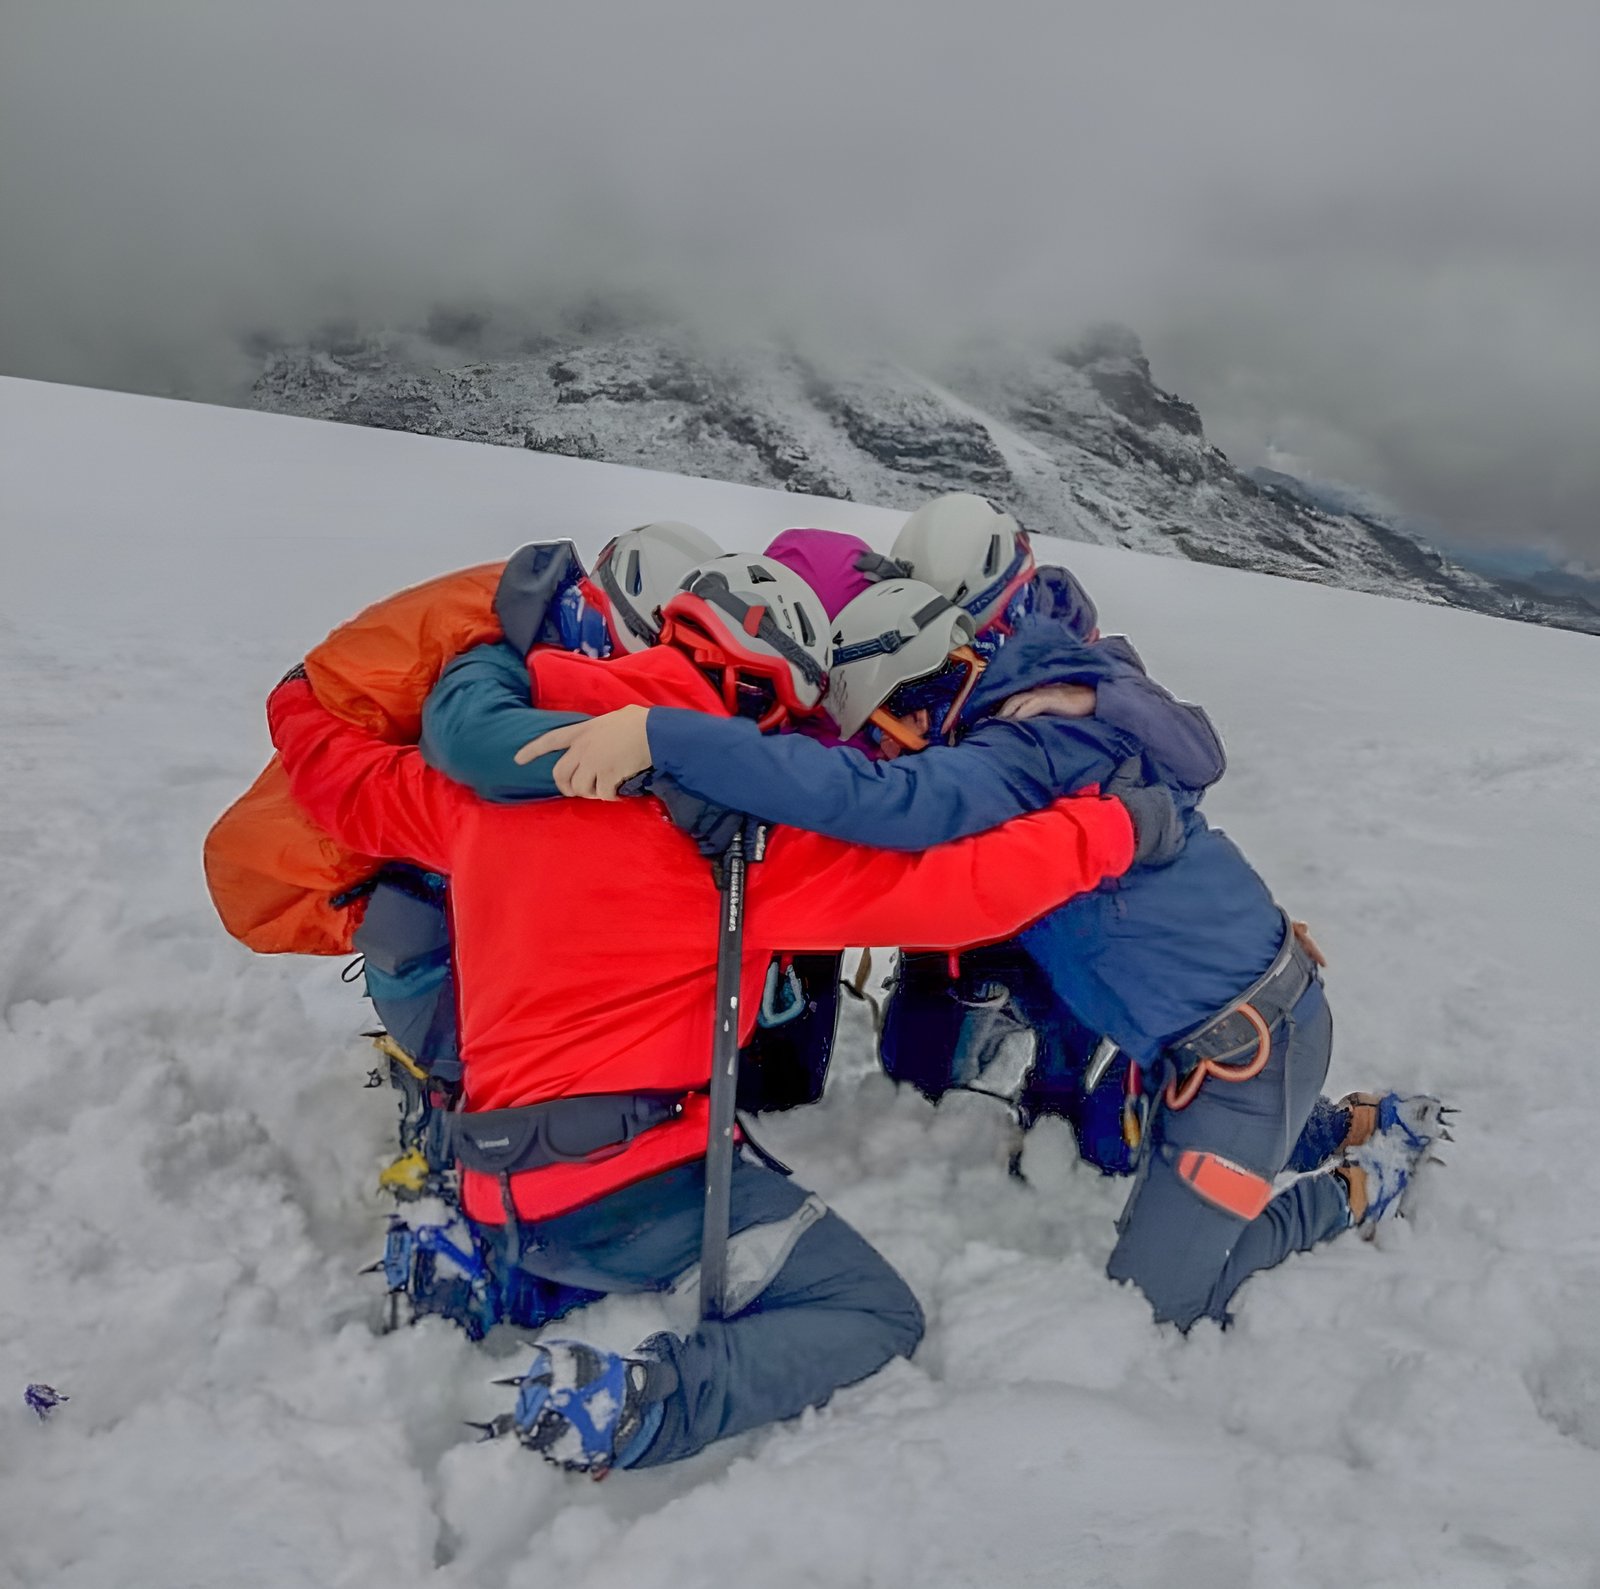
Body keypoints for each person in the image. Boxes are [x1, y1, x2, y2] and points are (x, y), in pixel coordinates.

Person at [266, 552, 1166, 1472]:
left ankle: (495, 1275)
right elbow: (959, 888)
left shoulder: (491, 786)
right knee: (871, 1310)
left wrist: (298, 700)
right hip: (633, 1182)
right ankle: (637, 1404)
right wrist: (1116, 827)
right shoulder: (740, 838)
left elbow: (341, 781)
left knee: (598, 1233)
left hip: (493, 1167)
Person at [519, 577, 1448, 1330]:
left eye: (885, 733)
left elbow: (877, 802)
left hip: (1243, 1052)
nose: (885, 753)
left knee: (1164, 1305)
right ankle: (1339, 1124)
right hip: (1211, 1035)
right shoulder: (1046, 712)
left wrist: (663, 736)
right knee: (1153, 1153)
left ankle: (1360, 1187)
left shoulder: (1016, 753)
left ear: (917, 696)